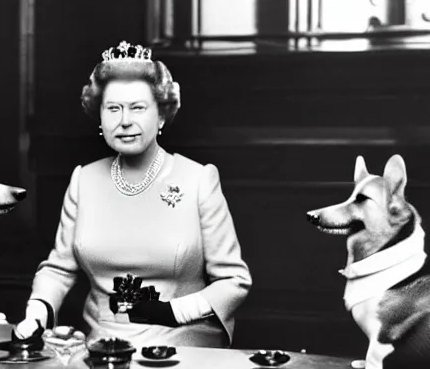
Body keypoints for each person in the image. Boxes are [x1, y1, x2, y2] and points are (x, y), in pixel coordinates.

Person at [15, 40, 252, 350]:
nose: (124, 120)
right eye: (113, 108)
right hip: (102, 347)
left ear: (162, 114)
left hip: (181, 346)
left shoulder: (198, 179)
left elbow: (234, 281)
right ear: (99, 116)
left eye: (138, 108)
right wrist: (36, 315)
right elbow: (58, 269)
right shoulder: (83, 180)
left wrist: (172, 312)